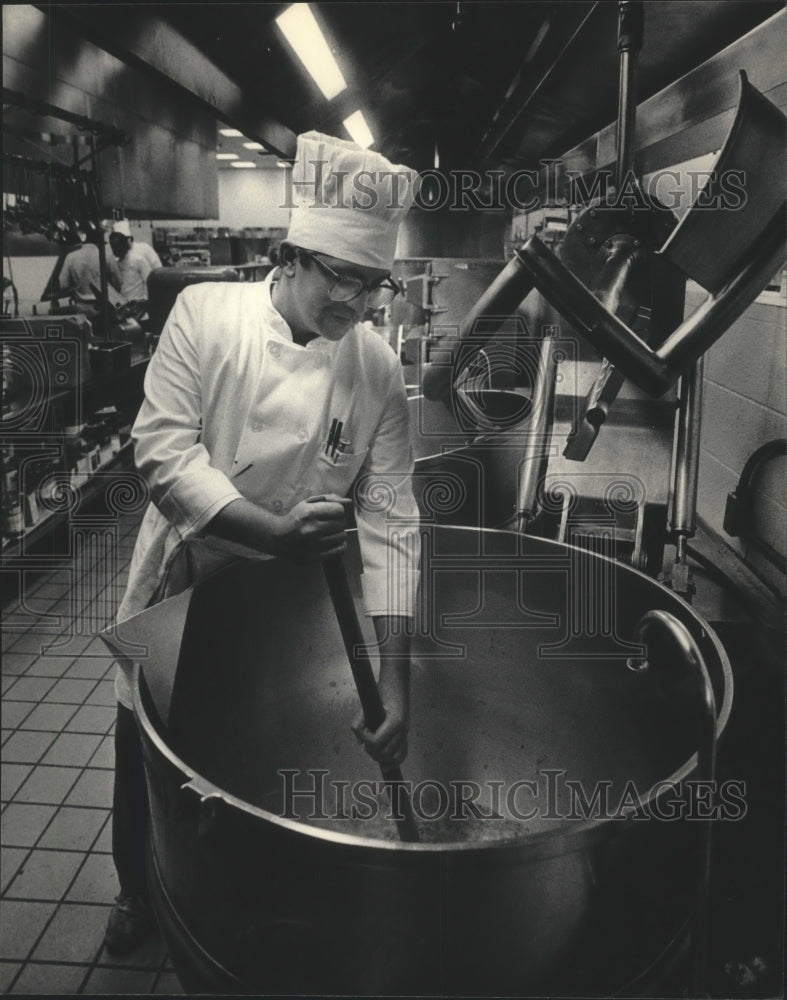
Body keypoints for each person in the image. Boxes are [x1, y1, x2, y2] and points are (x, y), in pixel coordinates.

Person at [104, 132, 421, 955]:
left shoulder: (377, 370)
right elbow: (164, 455)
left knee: (246, 746)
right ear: (290, 255)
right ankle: (137, 889)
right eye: (340, 277)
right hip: (185, 575)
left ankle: (235, 897)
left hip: (283, 600)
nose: (355, 302)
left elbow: (391, 520)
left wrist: (397, 677)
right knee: (146, 742)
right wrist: (273, 531)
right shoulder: (205, 318)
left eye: (371, 283)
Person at [59, 226, 122, 313]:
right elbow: (118, 283)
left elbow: (63, 285)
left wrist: (76, 289)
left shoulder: (71, 257)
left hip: (81, 308)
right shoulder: (107, 257)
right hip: (103, 309)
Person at [109, 220, 162, 302]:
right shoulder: (117, 262)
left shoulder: (140, 256)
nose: (115, 251)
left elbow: (151, 281)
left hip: (138, 303)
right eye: (113, 248)